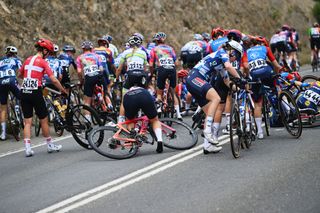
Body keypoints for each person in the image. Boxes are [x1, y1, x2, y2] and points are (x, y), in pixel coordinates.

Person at [186, 40, 243, 154]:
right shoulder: (222, 53)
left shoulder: (220, 64)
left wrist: (238, 88)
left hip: (193, 80)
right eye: (236, 57)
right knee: (216, 98)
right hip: (195, 78)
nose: (235, 60)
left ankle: (207, 145)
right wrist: (240, 79)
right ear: (232, 52)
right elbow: (229, 67)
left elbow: (227, 80)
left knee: (210, 112)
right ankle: (207, 130)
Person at [19, 38, 67, 157]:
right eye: (49, 52)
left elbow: (20, 75)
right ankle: (50, 145)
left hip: (24, 92)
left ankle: (27, 148)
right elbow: (54, 80)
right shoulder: (42, 61)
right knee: (43, 119)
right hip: (35, 92)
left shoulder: (27, 59)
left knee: (28, 122)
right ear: (44, 51)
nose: (49, 55)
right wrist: (63, 90)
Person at [242, 36, 282, 139]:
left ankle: (260, 132)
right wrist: (276, 75)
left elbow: (246, 67)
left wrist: (247, 75)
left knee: (257, 104)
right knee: (277, 88)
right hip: (267, 72)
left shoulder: (246, 52)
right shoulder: (265, 48)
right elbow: (276, 65)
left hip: (254, 75)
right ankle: (283, 105)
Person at [115, 35, 149, 123]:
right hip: (141, 75)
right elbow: (145, 69)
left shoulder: (126, 52)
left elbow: (119, 68)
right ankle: (143, 116)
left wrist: (116, 78)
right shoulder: (143, 53)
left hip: (130, 75)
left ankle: (121, 119)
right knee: (143, 95)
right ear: (140, 44)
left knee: (124, 98)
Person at [149, 32, 182, 120]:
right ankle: (178, 114)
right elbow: (176, 63)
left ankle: (159, 108)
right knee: (173, 92)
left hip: (162, 69)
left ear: (156, 41)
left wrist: (151, 74)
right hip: (172, 69)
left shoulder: (154, 49)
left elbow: (151, 64)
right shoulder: (170, 49)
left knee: (159, 92)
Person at [0, 46, 22, 140]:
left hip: (1, 83)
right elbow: (21, 71)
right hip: (12, 80)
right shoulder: (16, 60)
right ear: (15, 54)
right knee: (21, 97)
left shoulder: (0, 61)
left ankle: (3, 133)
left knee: (3, 108)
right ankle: (18, 109)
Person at [76, 40, 104, 109]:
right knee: (101, 89)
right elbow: (101, 68)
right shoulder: (97, 56)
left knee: (87, 101)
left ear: (83, 49)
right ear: (91, 49)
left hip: (89, 77)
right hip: (98, 75)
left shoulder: (80, 58)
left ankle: (87, 118)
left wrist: (81, 80)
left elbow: (79, 72)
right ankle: (100, 96)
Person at [94, 36, 116, 109]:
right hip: (106, 71)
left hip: (95, 71)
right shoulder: (108, 51)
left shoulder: (94, 50)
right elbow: (112, 64)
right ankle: (110, 104)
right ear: (106, 44)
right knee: (108, 86)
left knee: (95, 87)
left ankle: (98, 97)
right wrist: (115, 74)